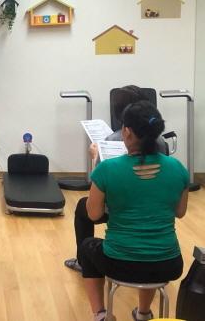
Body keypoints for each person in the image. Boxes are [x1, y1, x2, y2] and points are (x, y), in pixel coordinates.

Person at [78, 101, 189, 321]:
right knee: (149, 260)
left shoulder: (107, 169)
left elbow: (93, 214)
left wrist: (95, 162)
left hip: (120, 263)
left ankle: (100, 314)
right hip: (169, 264)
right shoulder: (178, 168)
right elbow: (180, 212)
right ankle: (143, 313)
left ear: (126, 132)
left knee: (87, 247)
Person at [64, 85, 168, 273]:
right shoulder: (161, 143)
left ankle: (83, 261)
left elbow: (101, 186)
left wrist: (96, 157)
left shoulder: (112, 140)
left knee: (84, 207)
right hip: (157, 220)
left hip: (120, 210)